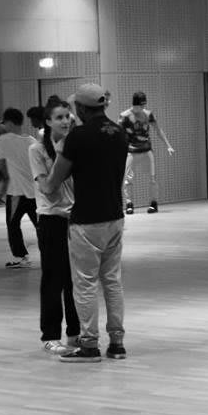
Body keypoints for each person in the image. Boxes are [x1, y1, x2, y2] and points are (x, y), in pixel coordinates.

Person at [40, 84, 130, 361]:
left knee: (86, 283)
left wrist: (43, 183)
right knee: (112, 281)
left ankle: (89, 344)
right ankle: (117, 343)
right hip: (115, 216)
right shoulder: (120, 132)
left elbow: (53, 183)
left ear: (80, 108)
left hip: (87, 221)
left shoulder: (77, 137)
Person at [30, 101, 81, 352]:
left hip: (76, 220)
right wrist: (61, 157)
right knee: (53, 278)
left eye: (67, 116)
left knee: (75, 280)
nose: (65, 121)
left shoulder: (75, 146)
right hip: (51, 219)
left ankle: (75, 333)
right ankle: (50, 336)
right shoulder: (37, 150)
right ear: (48, 121)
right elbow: (47, 188)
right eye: (59, 117)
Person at [0, 108, 38, 268]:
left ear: (10, 123)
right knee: (41, 226)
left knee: (13, 225)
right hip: (35, 192)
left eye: (5, 123)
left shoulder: (3, 139)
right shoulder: (32, 141)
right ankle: (51, 253)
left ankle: (22, 257)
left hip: (16, 192)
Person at [120, 90, 174, 213]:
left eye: (144, 104)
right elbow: (119, 134)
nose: (144, 107)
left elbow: (158, 130)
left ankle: (153, 204)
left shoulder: (148, 114)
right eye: (142, 104)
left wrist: (168, 145)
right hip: (131, 151)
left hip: (147, 150)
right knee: (128, 179)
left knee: (152, 178)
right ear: (136, 104)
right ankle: (129, 204)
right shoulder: (125, 116)